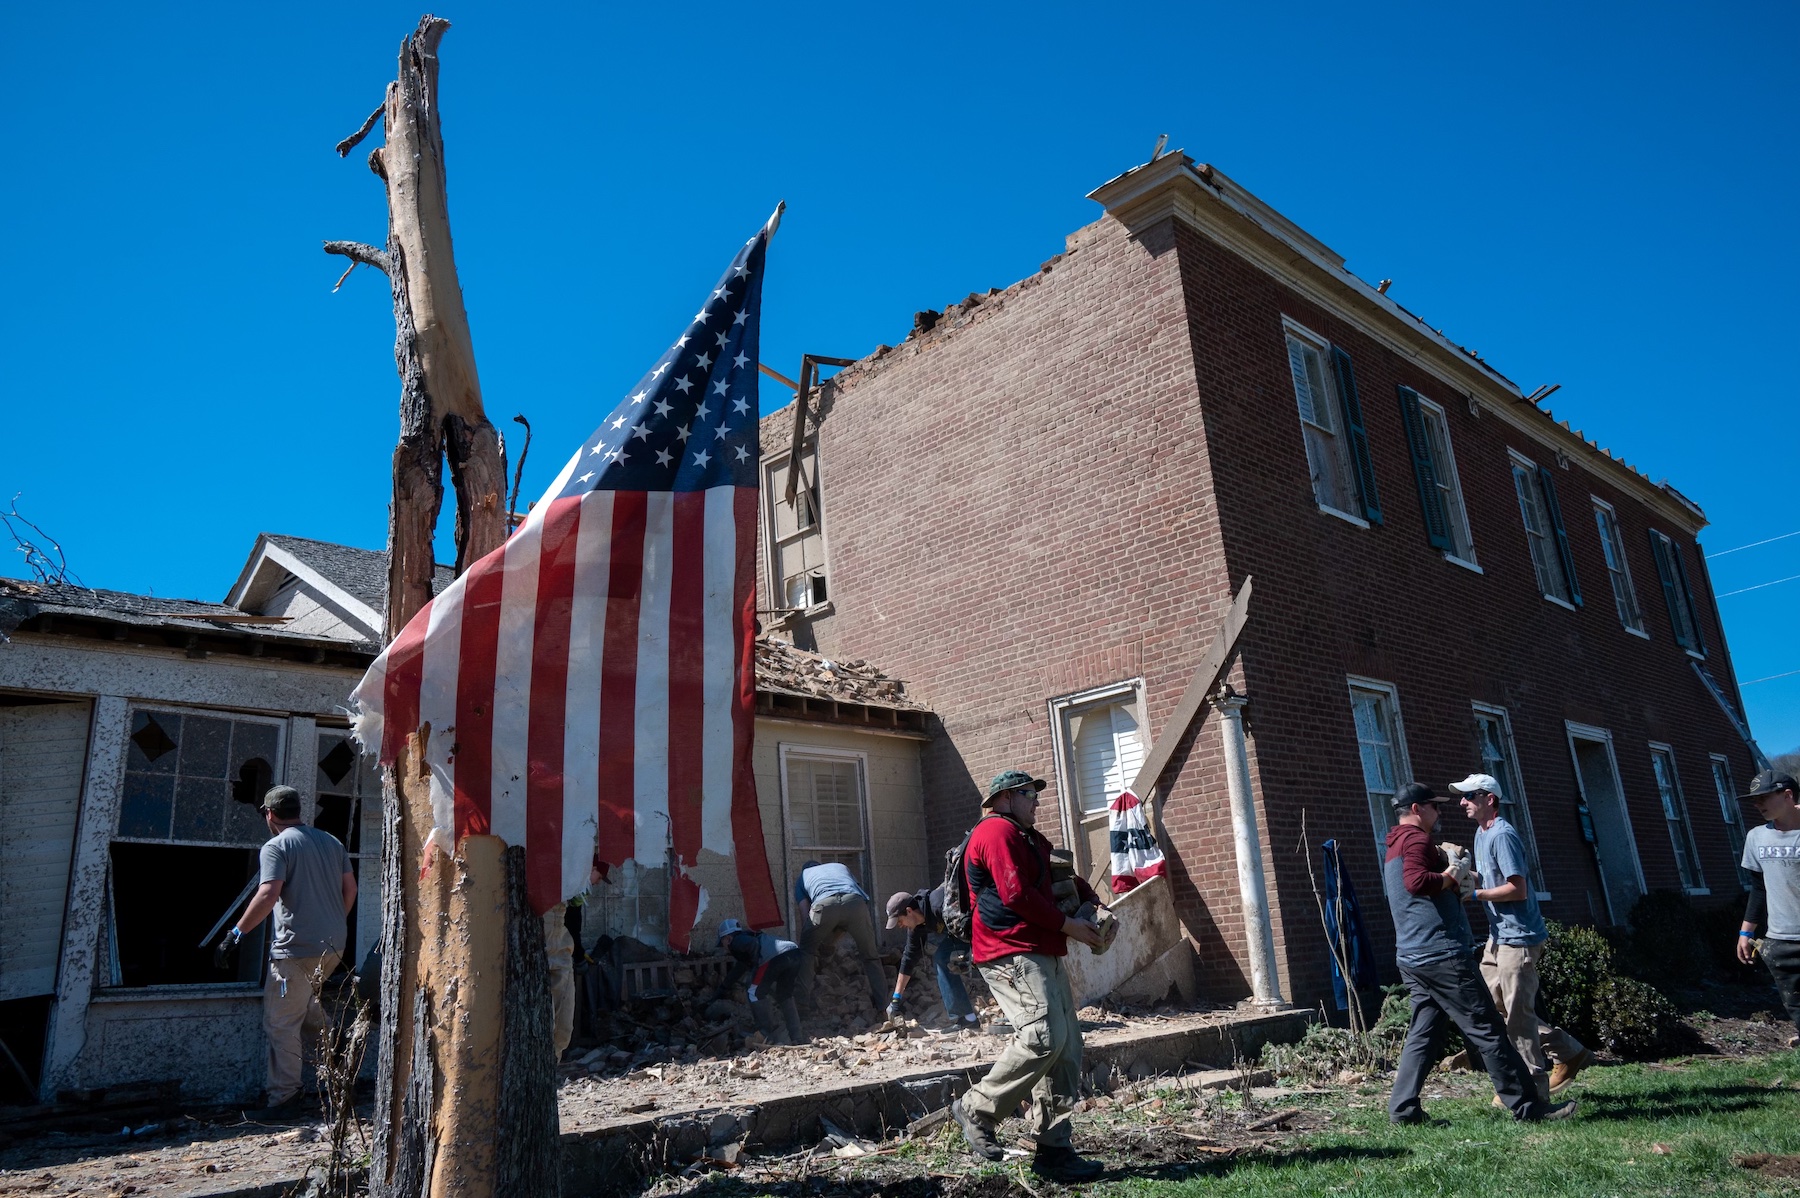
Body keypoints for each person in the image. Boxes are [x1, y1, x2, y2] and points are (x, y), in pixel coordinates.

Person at [1381, 782, 1576, 1125]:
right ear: (1416, 810)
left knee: (1423, 1035)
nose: (1440, 812)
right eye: (1434, 807)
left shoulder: (1395, 843)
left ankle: (1403, 1110)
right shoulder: (1416, 839)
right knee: (1488, 1029)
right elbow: (1415, 882)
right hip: (1440, 954)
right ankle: (1529, 1108)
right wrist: (1448, 876)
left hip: (1412, 957)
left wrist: (1454, 873)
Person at [949, 769, 1107, 1183]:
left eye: (1035, 793)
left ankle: (1054, 1150)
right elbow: (1016, 894)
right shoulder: (995, 833)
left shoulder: (1030, 839)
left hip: (1043, 948)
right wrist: (1070, 927)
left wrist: (1092, 906)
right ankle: (977, 1108)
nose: (1036, 800)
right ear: (1003, 798)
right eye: (1028, 793)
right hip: (1009, 950)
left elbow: (1061, 879)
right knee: (1043, 1039)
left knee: (1067, 1047)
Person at [1450, 773, 1594, 1099]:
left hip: (1520, 938)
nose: (1463, 802)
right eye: (1463, 796)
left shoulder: (1503, 835)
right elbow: (1487, 876)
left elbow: (1517, 888)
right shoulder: (1481, 833)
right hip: (1498, 936)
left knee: (1518, 1017)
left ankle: (1532, 1090)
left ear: (1490, 799)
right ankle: (1568, 1050)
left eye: (1470, 796)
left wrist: (1475, 896)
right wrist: (1458, 872)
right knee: (1492, 1007)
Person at [215, 785, 355, 1120]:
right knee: (306, 1009)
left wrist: (235, 935)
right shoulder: (331, 842)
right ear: (297, 809)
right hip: (333, 946)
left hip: (293, 952)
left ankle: (284, 1098)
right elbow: (349, 889)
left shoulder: (276, 846)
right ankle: (340, 1065)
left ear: (270, 814)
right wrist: (333, 921)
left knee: (281, 1021)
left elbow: (267, 894)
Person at [1736, 770, 1800, 1045]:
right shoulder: (1756, 837)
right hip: (1781, 941)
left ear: (1787, 796)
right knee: (1796, 1006)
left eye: (1764, 797)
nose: (1757, 804)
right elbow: (1758, 888)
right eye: (1755, 799)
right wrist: (1746, 933)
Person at [792, 860, 888, 1014]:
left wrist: (809, 942)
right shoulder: (840, 866)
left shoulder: (803, 877)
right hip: (855, 903)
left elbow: (805, 916)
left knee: (806, 953)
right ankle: (884, 1006)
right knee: (870, 956)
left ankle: (801, 1008)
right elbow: (853, 893)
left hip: (824, 905)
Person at [884, 885, 979, 1030]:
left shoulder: (938, 905)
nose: (900, 926)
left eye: (899, 921)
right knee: (942, 959)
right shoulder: (916, 927)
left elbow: (971, 911)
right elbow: (908, 959)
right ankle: (966, 1019)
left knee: (947, 959)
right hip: (961, 932)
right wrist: (896, 999)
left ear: (909, 911)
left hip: (977, 924)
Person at [716, 918, 804, 1044]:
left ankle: (765, 1035)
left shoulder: (736, 941)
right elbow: (738, 970)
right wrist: (723, 988)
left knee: (753, 993)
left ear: (728, 938)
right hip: (794, 953)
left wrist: (756, 967)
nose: (724, 948)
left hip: (774, 958)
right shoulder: (748, 939)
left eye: (722, 942)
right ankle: (797, 1036)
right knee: (785, 995)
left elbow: (753, 946)